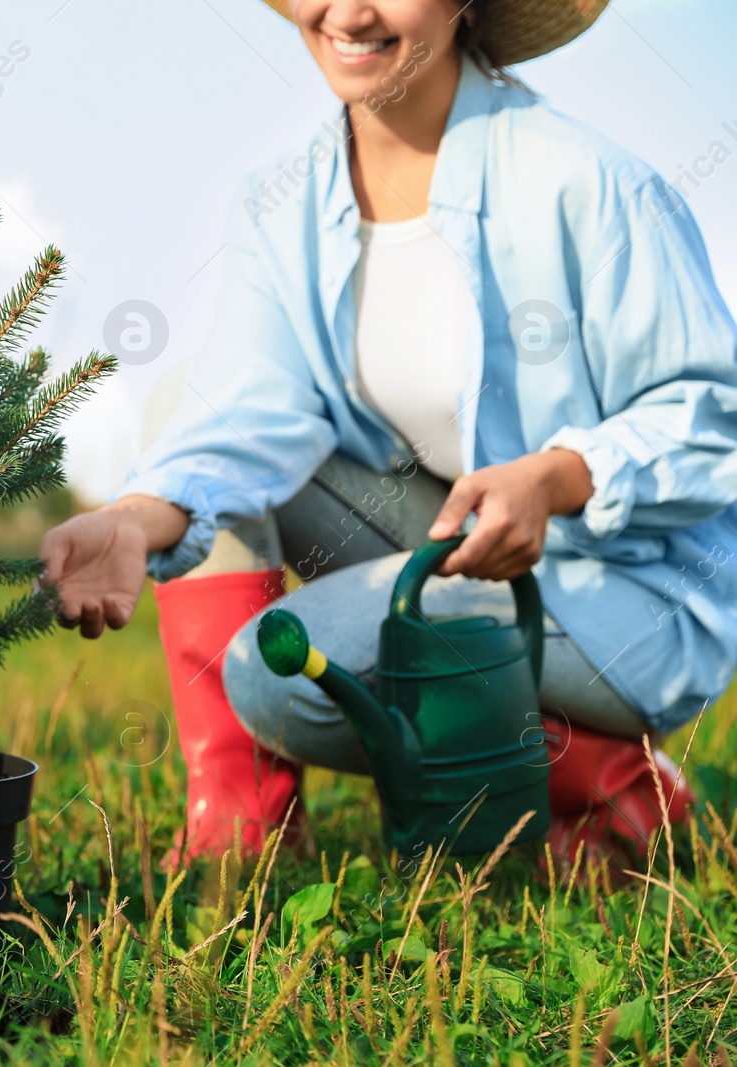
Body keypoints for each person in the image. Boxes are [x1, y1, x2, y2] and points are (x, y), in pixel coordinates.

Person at [41, 0, 735, 868]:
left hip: (626, 586)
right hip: (455, 539)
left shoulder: (588, 184)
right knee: (184, 395)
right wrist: (135, 517)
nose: (351, 11)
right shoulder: (278, 204)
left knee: (270, 671)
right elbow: (244, 411)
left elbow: (712, 419)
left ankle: (614, 785)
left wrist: (554, 478)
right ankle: (243, 827)